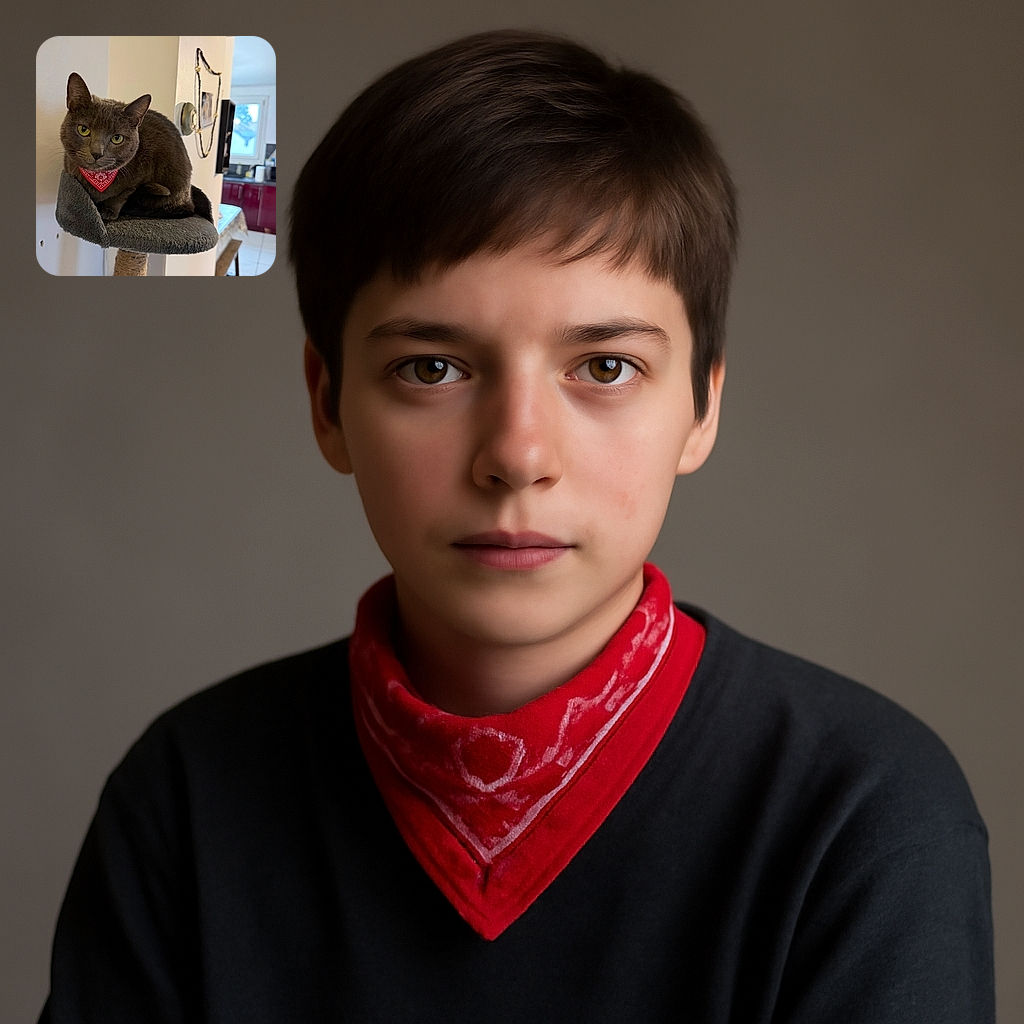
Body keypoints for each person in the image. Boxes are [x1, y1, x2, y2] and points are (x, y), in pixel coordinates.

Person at [39, 29, 994, 1023]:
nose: (516, 454)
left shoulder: (863, 812)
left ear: (702, 408)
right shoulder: (188, 798)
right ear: (328, 405)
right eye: (431, 368)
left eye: (606, 367)